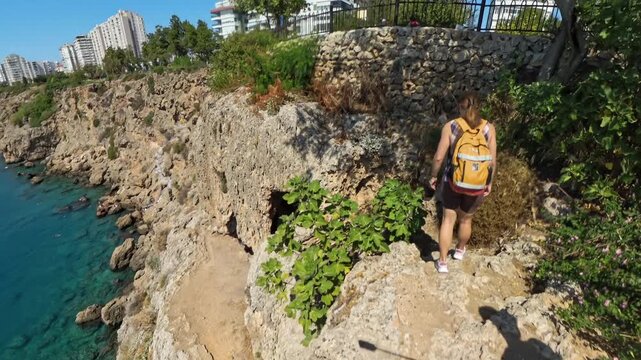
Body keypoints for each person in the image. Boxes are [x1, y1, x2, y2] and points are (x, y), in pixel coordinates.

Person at [428, 92, 497, 273]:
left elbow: (438, 158)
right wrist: (488, 182)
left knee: (448, 219)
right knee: (466, 220)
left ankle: (442, 262)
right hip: (477, 184)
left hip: (453, 181)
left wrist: (434, 176)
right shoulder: (488, 128)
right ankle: (459, 251)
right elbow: (492, 161)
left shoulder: (451, 126)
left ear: (460, 107)